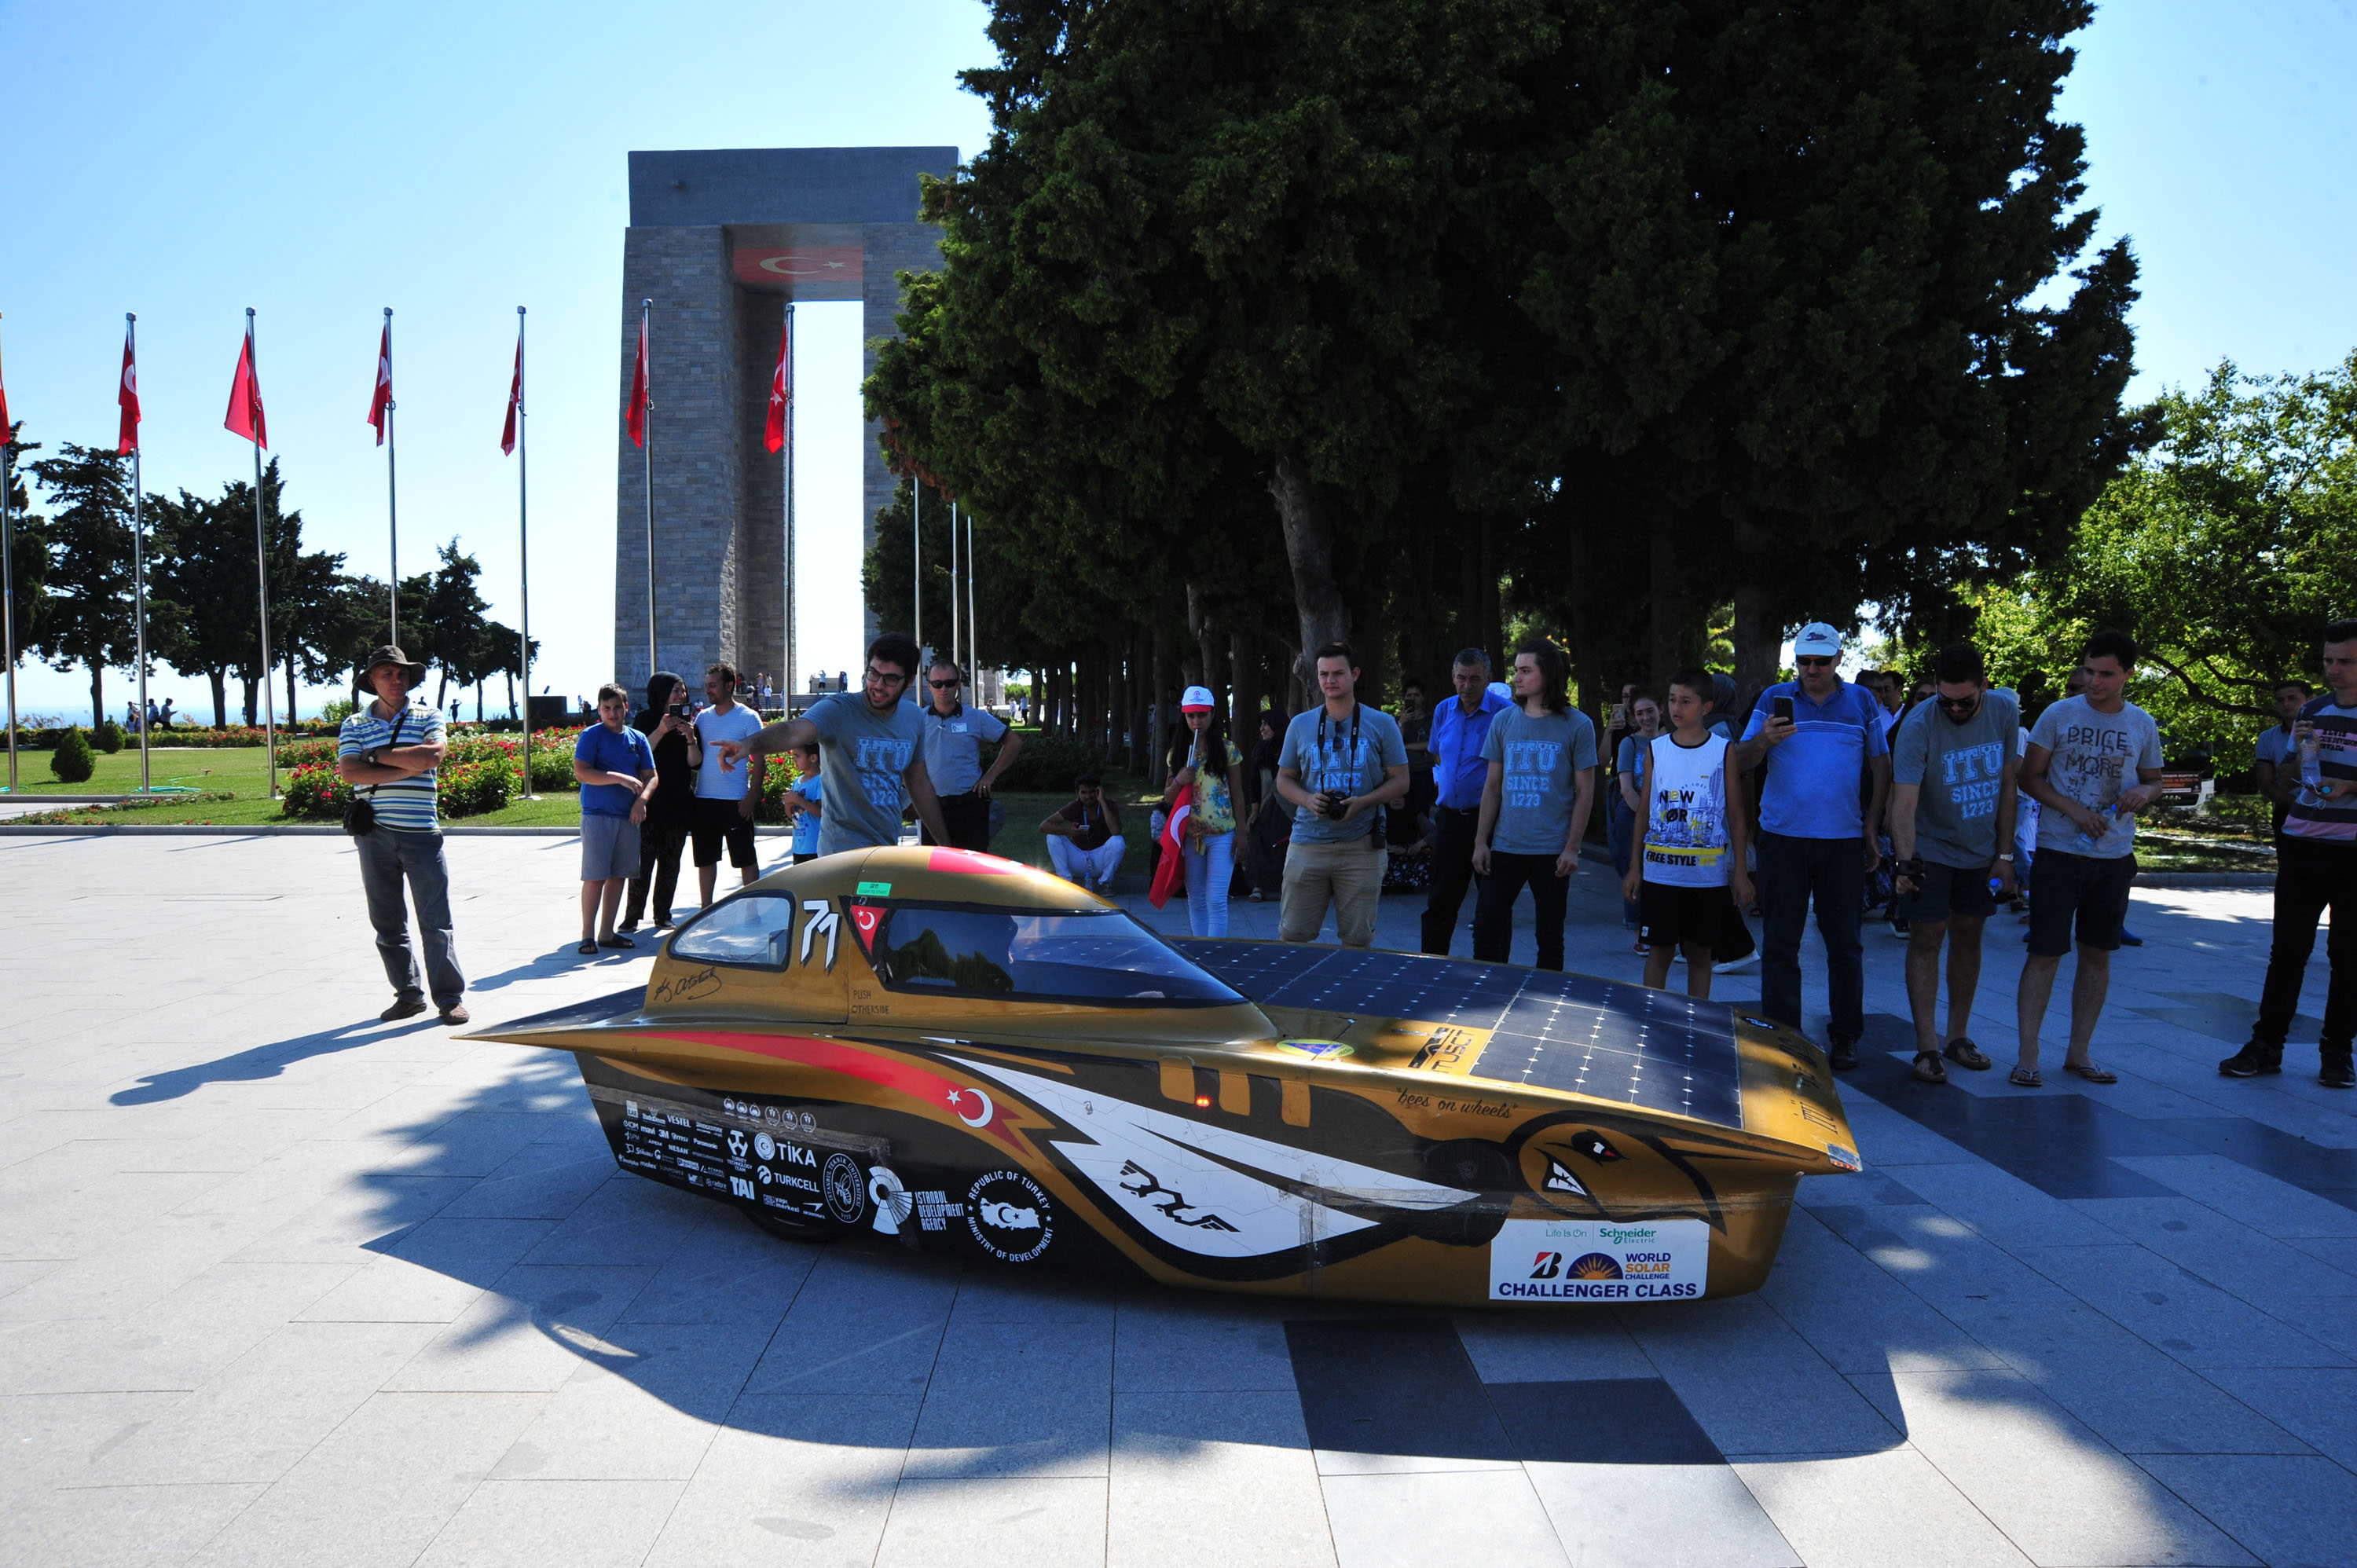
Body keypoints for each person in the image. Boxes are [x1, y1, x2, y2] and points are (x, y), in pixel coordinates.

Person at [1733, 621, 1890, 1068]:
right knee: (1781, 943)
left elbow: (1881, 766)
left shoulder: (1861, 701)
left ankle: (1846, 1036)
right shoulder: (1772, 699)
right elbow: (1740, 762)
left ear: (1840, 659)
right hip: (1783, 839)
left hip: (1842, 840)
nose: (1812, 669)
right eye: (1804, 661)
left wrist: (1872, 826)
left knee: (1846, 944)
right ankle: (1782, 1037)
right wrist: (1763, 740)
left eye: (1822, 661)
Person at [2011, 630, 2164, 1086]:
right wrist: (2074, 809)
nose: (2096, 682)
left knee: (2098, 955)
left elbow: (2156, 780)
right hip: (2060, 853)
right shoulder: (2058, 714)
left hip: (2114, 856)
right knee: (2044, 953)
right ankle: (2028, 1056)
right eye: (2091, 672)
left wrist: (2144, 791)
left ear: (2128, 675)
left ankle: (2079, 1052)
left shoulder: (2141, 723)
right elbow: (2028, 777)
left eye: (2107, 674)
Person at [2225, 622, 2357, 1087]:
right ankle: (2266, 1046)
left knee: (2348, 957)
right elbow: (2286, 780)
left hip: (2353, 853)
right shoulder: (2313, 711)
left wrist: (2351, 786)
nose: (2334, 670)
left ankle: (2337, 1053)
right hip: (2304, 845)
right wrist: (2299, 759)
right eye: (2328, 661)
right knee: (2287, 953)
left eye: (2345, 661)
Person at [1887, 643, 2020, 1084]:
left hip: (1980, 849)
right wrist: (1905, 864)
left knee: (1969, 933)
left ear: (1985, 686)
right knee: (1928, 935)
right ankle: (1926, 1045)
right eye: (1947, 701)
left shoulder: (2003, 711)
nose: (1956, 709)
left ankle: (1957, 1037)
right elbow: (1902, 803)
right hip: (1931, 846)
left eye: (1966, 701)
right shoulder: (1919, 723)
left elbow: (2006, 786)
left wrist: (2005, 855)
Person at [720, 632, 951, 854]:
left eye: (890, 679)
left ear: (909, 680)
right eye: (873, 673)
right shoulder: (838, 710)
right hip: (839, 855)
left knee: (879, 894)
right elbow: (792, 731)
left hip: (885, 852)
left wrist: (947, 847)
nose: (878, 685)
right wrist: (749, 744)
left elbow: (919, 786)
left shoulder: (913, 718)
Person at [336, 645, 467, 1024]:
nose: (396, 680)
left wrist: (375, 757)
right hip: (373, 835)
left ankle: (449, 998)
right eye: (386, 674)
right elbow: (349, 772)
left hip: (422, 834)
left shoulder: (429, 715)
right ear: (372, 681)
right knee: (388, 923)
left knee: (436, 921)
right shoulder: (354, 724)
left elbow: (431, 758)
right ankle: (408, 995)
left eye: (401, 674)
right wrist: (402, 767)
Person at [1624, 666, 1753, 998]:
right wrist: (1635, 867)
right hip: (1660, 874)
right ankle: (1650, 1018)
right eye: (1671, 700)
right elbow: (1645, 811)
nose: (1676, 708)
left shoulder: (1723, 750)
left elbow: (1737, 816)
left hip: (1707, 878)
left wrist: (1740, 872)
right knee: (1660, 951)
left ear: (1706, 707)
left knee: (1700, 954)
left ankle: (1697, 1021)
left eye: (1686, 701)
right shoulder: (1658, 749)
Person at [1471, 640, 1596, 969]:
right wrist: (1481, 842)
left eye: (1526, 671)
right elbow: (1493, 786)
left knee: (1550, 938)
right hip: (1506, 845)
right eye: (1516, 670)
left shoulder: (1578, 724)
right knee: (1486, 929)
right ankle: (1487, 997)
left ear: (1549, 674)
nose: (1517, 678)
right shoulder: (1503, 721)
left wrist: (1573, 848)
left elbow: (1585, 791)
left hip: (1552, 850)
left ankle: (1546, 1008)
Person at [1277, 642, 1410, 947]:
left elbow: (1401, 781)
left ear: (1355, 674)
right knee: (1292, 936)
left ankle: (1353, 995)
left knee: (1358, 940)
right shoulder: (1300, 724)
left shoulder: (1382, 723)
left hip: (1361, 846)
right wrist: (1308, 800)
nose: (1330, 681)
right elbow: (1284, 780)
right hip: (1308, 843)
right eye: (1323, 674)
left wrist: (1363, 802)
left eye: (1338, 673)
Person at [1420, 649, 1509, 954]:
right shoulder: (1444, 709)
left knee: (1492, 905)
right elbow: (1438, 752)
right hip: (1448, 817)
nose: (1467, 685)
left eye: (1474, 679)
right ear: (1453, 677)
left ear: (1489, 679)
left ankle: (1492, 972)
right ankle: (1432, 965)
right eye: (1461, 678)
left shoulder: (1505, 713)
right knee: (1440, 900)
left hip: (1489, 821)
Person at [574, 684, 658, 954]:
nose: (613, 713)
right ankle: (587, 935)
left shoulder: (637, 738)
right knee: (596, 876)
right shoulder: (591, 736)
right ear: (599, 710)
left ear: (626, 707)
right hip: (598, 816)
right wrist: (617, 777)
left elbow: (652, 776)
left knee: (619, 876)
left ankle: (607, 933)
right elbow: (582, 773)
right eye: (606, 708)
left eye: (617, 707)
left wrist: (641, 801)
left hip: (628, 818)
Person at [1167, 686, 1249, 937]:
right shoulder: (1178, 753)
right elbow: (1168, 798)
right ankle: (1201, 954)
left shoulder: (1227, 750)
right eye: (1191, 716)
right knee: (1196, 899)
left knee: (1216, 899)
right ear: (1184, 717)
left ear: (1213, 715)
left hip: (1223, 834)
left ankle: (1216, 952)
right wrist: (1180, 780)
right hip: (1191, 836)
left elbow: (1237, 793)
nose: (1196, 721)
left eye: (1202, 715)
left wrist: (1242, 834)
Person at [620, 672, 696, 933]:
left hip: (678, 803)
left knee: (670, 862)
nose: (680, 695)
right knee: (642, 863)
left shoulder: (689, 723)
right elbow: (638, 755)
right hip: (650, 804)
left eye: (682, 691)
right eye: (675, 690)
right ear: (661, 693)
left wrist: (689, 737)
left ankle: (662, 913)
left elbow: (695, 763)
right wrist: (662, 731)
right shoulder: (645, 720)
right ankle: (632, 915)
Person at [919, 659, 1022, 851]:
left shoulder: (976, 717)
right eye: (937, 684)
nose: (944, 689)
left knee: (972, 869)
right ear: (929, 686)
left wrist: (990, 776)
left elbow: (1014, 742)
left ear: (958, 684)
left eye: (950, 683)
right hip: (932, 807)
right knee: (935, 868)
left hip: (969, 804)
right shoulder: (918, 720)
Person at [691, 663, 765, 907]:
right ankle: (705, 909)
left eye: (713, 685)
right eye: (707, 686)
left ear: (729, 685)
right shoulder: (702, 718)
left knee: (745, 859)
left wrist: (750, 798)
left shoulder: (748, 717)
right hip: (704, 800)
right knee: (705, 859)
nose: (708, 690)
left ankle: (752, 910)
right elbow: (697, 757)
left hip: (736, 801)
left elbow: (760, 761)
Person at [1609, 692, 1662, 945]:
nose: (1645, 717)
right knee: (1635, 869)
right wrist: (1648, 819)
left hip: (1664, 815)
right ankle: (1638, 932)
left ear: (1660, 709)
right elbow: (1627, 788)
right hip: (1632, 813)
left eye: (1649, 710)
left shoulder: (1670, 741)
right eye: (1639, 713)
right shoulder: (1630, 743)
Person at [2253, 680, 2315, 841]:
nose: (2286, 704)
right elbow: (2265, 784)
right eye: (2280, 700)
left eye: (2292, 698)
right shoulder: (2268, 738)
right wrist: (2298, 805)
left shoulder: (2328, 731)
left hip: (2332, 808)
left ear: (2310, 700)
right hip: (2287, 810)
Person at [1043, 772, 1125, 892]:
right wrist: (1069, 831)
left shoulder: (1109, 805)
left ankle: (1105, 883)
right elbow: (1044, 825)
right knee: (1052, 836)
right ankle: (1065, 881)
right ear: (1078, 793)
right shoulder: (1074, 806)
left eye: (1092, 792)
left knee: (1118, 841)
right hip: (1078, 858)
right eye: (1084, 793)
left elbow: (1116, 831)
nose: (1088, 796)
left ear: (1098, 791)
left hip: (1099, 859)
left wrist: (1102, 801)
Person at [782, 742, 824, 864]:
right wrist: (789, 804)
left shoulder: (821, 780)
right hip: (799, 847)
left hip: (816, 847)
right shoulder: (797, 781)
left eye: (798, 756)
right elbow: (792, 817)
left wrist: (797, 799)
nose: (794, 759)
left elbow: (822, 813)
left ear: (813, 758)